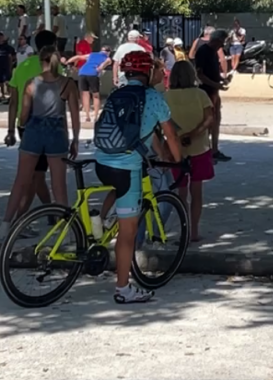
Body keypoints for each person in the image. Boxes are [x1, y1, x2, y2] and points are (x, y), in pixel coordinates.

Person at [93, 49, 183, 304]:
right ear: (146, 72)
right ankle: (123, 289)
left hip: (102, 161)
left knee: (116, 190)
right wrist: (177, 161)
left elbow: (143, 132)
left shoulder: (117, 94)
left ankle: (98, 224)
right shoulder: (152, 98)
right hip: (127, 166)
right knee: (127, 233)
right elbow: (170, 135)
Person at [4, 44, 80, 230]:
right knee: (58, 184)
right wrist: (75, 139)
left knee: (21, 180)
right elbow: (74, 115)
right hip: (56, 132)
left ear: (41, 61)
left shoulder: (31, 83)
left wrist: (21, 126)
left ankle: (6, 223)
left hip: (34, 130)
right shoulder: (67, 83)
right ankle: (67, 227)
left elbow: (24, 113)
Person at [166, 59, 215, 242]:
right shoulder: (201, 94)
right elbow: (209, 118)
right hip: (199, 147)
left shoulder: (167, 96)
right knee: (197, 192)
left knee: (181, 193)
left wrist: (178, 137)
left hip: (176, 149)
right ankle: (194, 231)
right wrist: (194, 134)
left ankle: (183, 230)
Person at [194, 28, 231, 161]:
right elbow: (200, 74)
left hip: (214, 91)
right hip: (206, 92)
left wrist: (221, 79)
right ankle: (207, 150)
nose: (222, 45)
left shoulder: (213, 53)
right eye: (222, 42)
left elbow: (211, 72)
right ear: (216, 40)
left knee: (216, 121)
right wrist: (216, 84)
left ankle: (214, 150)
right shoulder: (203, 51)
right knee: (208, 122)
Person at [73, 39, 110, 124]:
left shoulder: (92, 54)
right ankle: (96, 116)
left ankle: (87, 116)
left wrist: (70, 63)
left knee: (85, 95)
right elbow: (106, 63)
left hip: (82, 73)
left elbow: (79, 56)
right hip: (93, 74)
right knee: (96, 95)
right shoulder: (107, 57)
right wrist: (100, 68)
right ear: (108, 52)